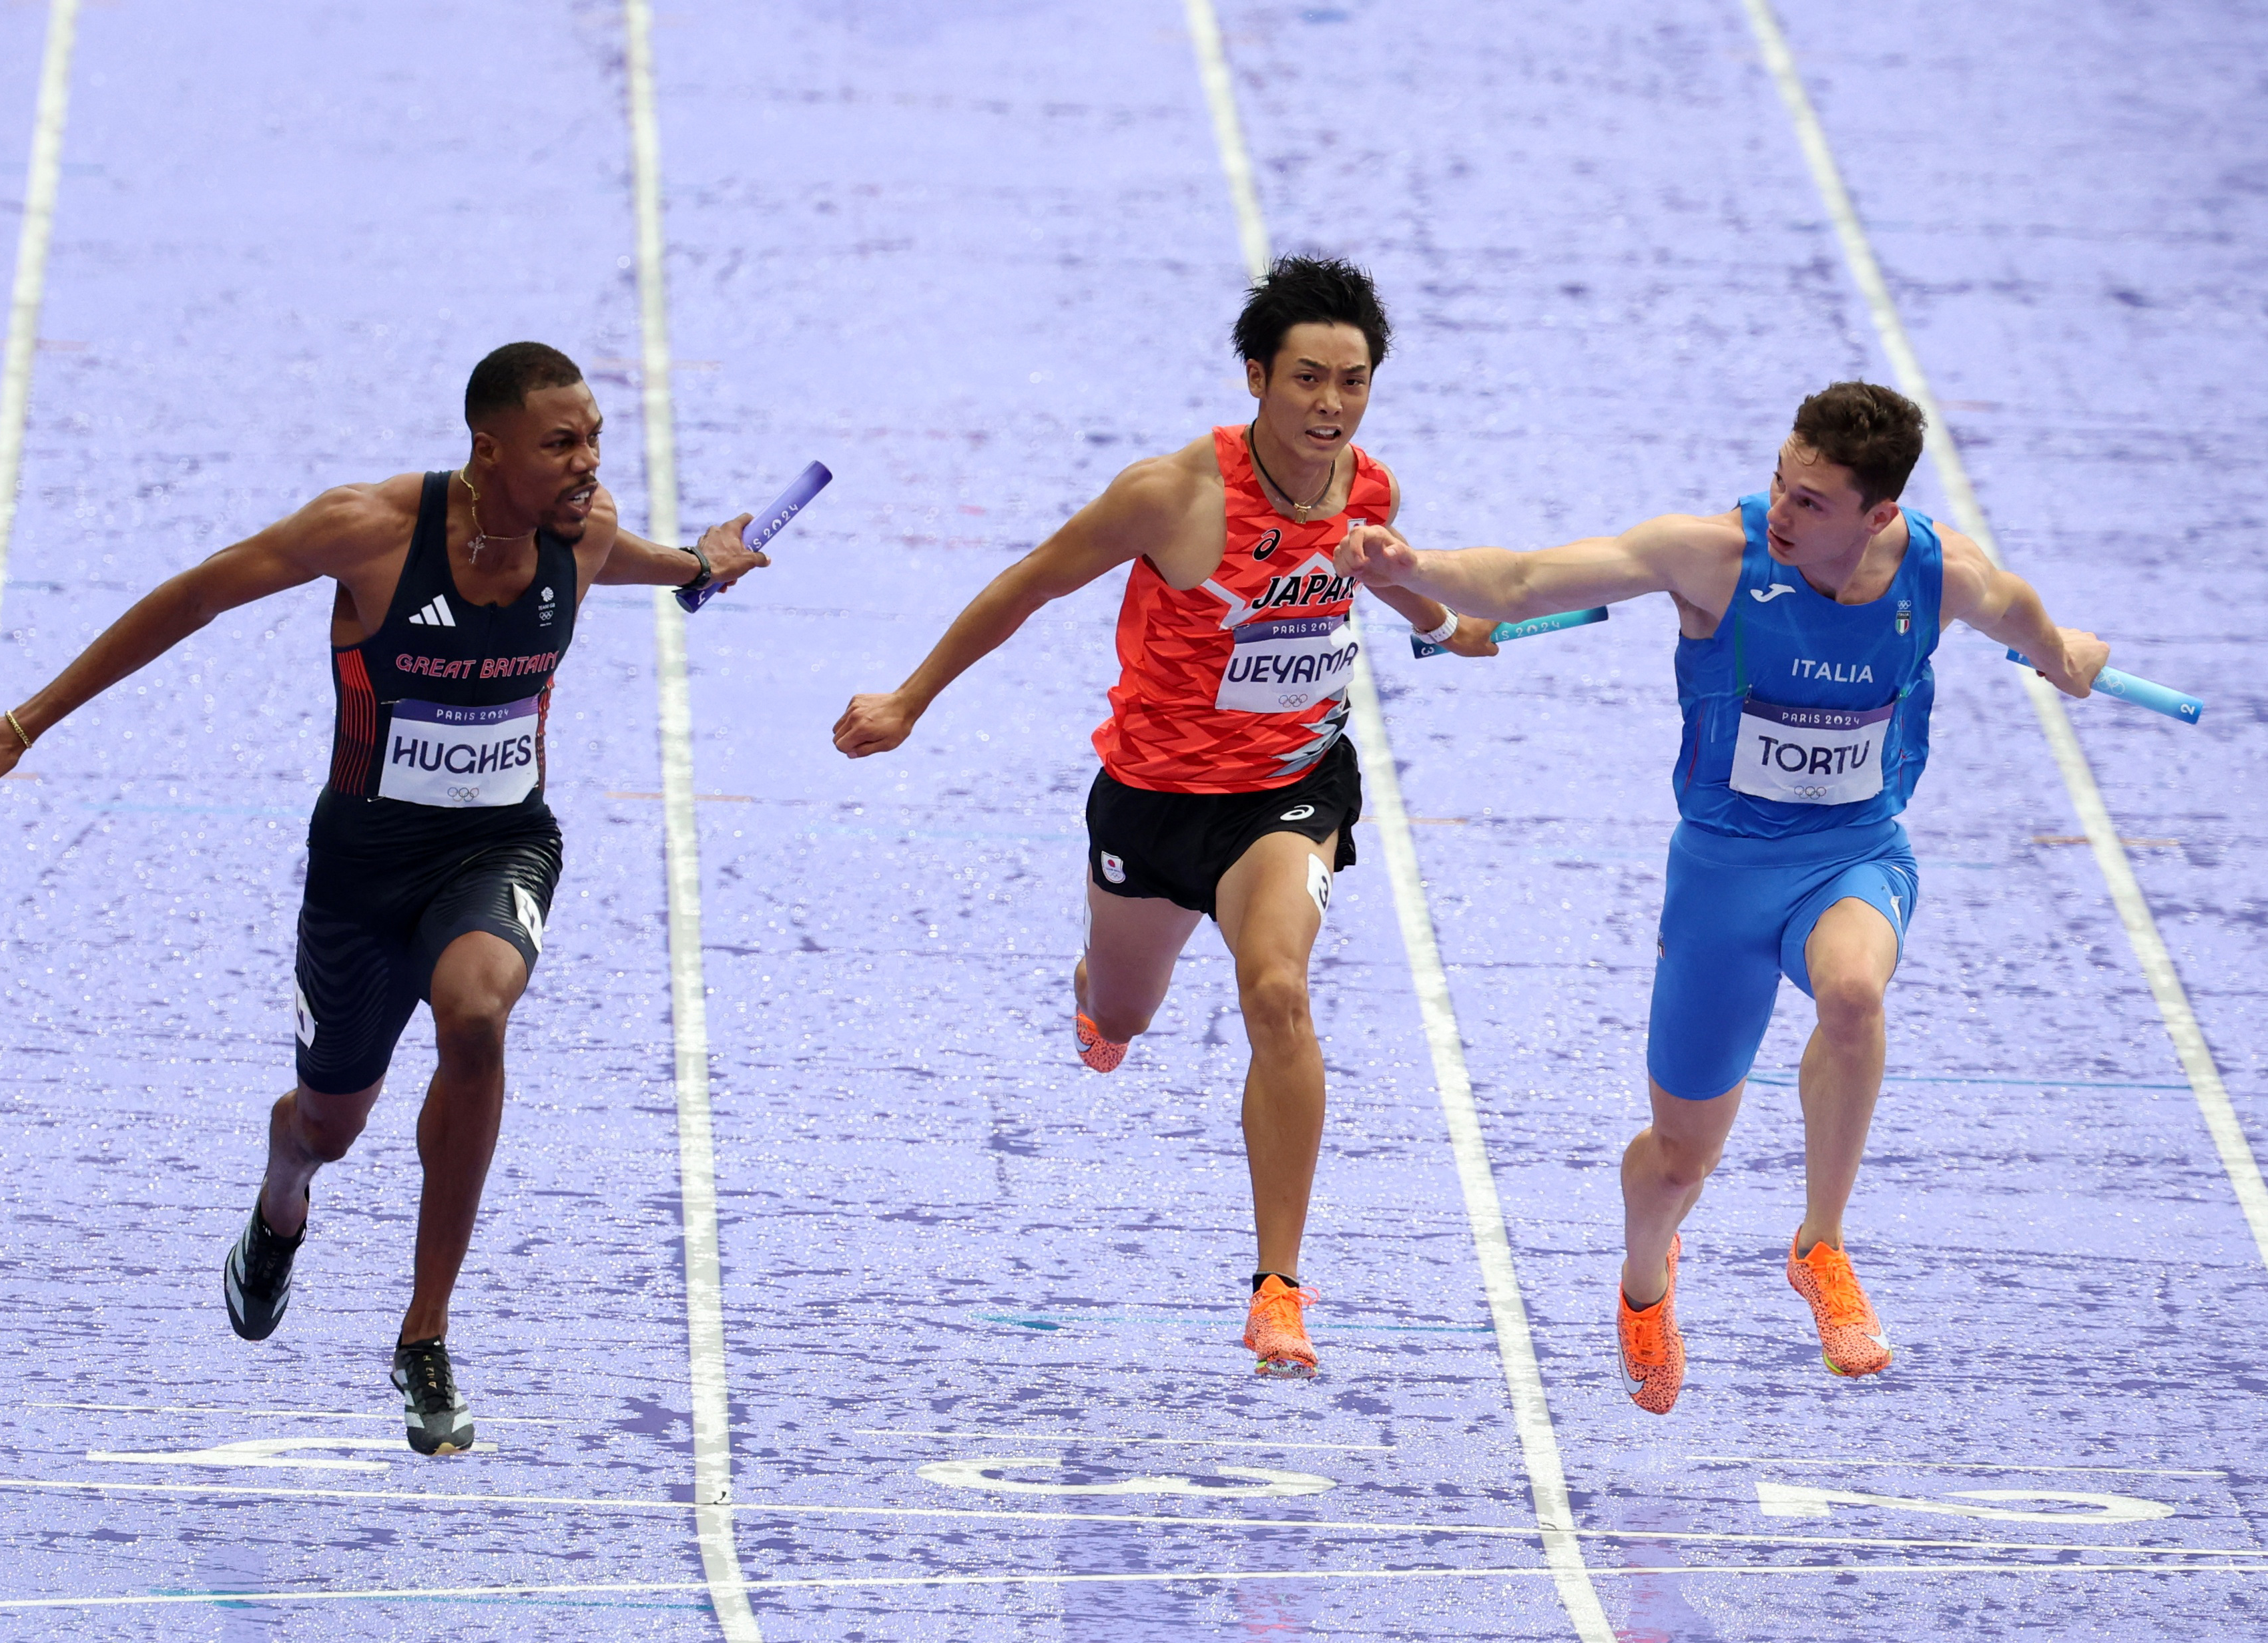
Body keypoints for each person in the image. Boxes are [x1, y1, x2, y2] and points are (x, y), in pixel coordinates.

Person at [0, 343, 766, 1453]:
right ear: (487, 452)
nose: (590, 461)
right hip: (360, 877)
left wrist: (701, 562)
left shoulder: (579, 534)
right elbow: (197, 598)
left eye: (595, 436)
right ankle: (279, 1201)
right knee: (329, 1124)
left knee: (479, 1016)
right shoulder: (370, 531)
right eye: (563, 443)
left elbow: (635, 557)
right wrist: (25, 721)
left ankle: (424, 1333)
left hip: (502, 848)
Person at [1340, 382, 2108, 1411]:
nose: (1780, 513)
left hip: (1852, 853)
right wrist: (1416, 568)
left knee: (1853, 994)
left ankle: (1819, 1247)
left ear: (1879, 514)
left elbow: (2020, 613)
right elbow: (1526, 579)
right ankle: (1646, 1284)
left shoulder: (1938, 571)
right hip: (1722, 879)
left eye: (1812, 503)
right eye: (1782, 482)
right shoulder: (1717, 556)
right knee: (1677, 1162)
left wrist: (2066, 656)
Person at [832, 256, 1486, 1374]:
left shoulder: (1370, 491)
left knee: (1277, 988)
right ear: (1256, 378)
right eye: (1310, 380)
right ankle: (1101, 999)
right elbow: (1029, 584)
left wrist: (1450, 617)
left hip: (1290, 790)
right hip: (1150, 799)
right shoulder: (1171, 495)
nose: (1333, 406)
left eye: (1356, 381)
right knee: (1125, 1019)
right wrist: (909, 698)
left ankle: (1278, 1285)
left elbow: (1388, 587)